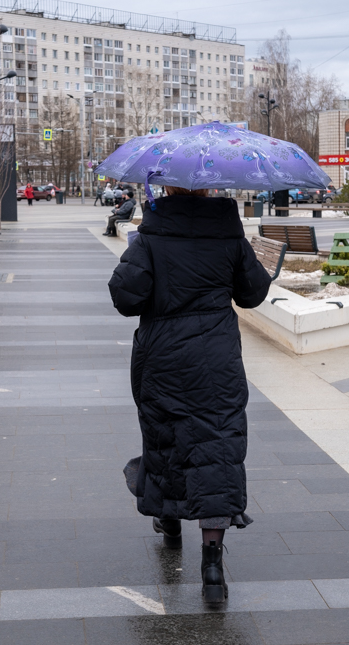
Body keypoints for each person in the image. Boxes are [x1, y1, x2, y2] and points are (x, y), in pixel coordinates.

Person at [109, 187, 271, 605]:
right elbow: (253, 293)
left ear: (168, 189)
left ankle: (170, 522)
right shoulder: (229, 232)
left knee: (166, 438)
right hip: (217, 358)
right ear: (210, 188)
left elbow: (125, 298)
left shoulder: (152, 234)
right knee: (217, 447)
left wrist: (137, 253)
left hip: (163, 356)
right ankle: (213, 567)